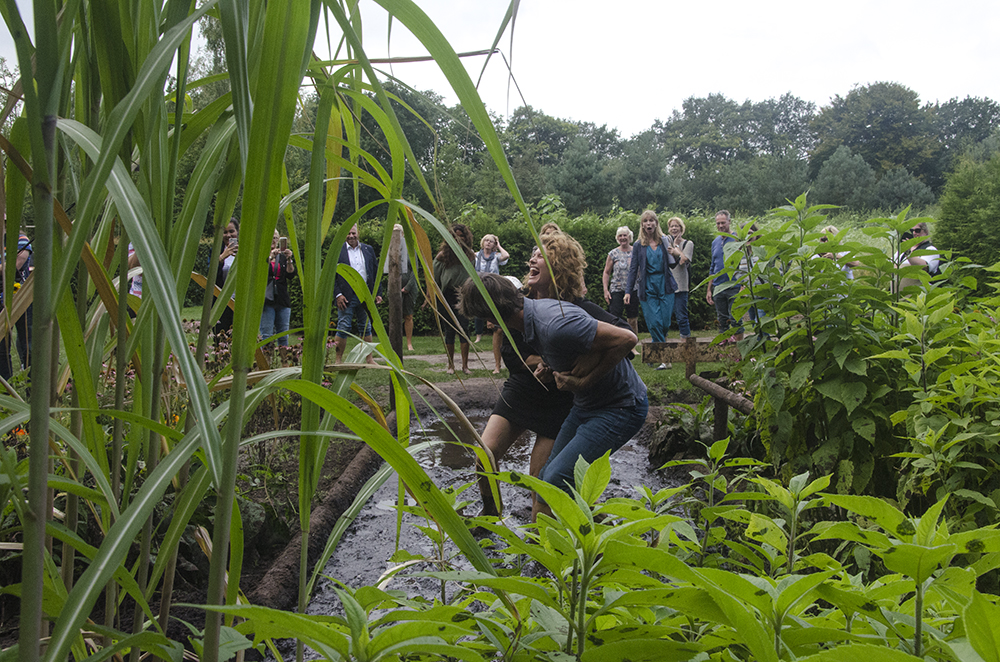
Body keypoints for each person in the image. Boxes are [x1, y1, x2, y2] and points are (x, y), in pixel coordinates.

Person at [459, 273, 648, 513]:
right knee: (547, 482)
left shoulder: (553, 324)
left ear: (489, 316)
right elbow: (569, 349)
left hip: (621, 407)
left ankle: (594, 541)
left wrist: (585, 381)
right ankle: (561, 544)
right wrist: (552, 366)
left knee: (555, 480)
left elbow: (627, 338)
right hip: (585, 406)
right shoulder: (529, 320)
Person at [475, 231, 629, 520]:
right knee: (485, 454)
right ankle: (490, 514)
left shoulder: (577, 310)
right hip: (522, 389)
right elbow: (509, 352)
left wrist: (576, 362)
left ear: (558, 269)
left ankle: (543, 541)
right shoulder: (518, 302)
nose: (531, 258)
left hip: (560, 400)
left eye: (541, 255)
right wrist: (542, 361)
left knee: (539, 480)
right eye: (532, 253)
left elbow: (624, 338)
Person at [625, 210, 682, 369]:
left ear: (656, 223)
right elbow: (633, 269)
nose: (648, 223)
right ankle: (666, 360)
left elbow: (672, 265)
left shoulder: (664, 241)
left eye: (651, 221)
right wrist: (628, 291)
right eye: (645, 221)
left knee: (664, 323)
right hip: (647, 286)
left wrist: (674, 253)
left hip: (665, 284)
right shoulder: (638, 245)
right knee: (655, 323)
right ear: (642, 225)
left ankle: (654, 352)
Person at [334, 224, 382, 364]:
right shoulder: (338, 251)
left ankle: (369, 358)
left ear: (358, 233)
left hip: (365, 294)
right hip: (346, 296)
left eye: (353, 233)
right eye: (348, 233)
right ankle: (338, 360)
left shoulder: (368, 249)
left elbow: (374, 272)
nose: (351, 236)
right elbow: (332, 276)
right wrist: (338, 295)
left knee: (366, 326)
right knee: (343, 326)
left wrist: (377, 293)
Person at [432, 224, 474, 375]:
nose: (458, 239)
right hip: (446, 295)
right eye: (455, 236)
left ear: (466, 238)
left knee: (464, 328)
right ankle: (450, 366)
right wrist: (432, 296)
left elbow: (472, 276)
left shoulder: (470, 255)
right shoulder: (443, 255)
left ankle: (465, 366)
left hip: (463, 295)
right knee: (449, 330)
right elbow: (434, 278)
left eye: (461, 236)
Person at [473, 233, 509, 372]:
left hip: (494, 287)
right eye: (486, 241)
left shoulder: (497, 256)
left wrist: (498, 245)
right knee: (479, 310)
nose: (488, 243)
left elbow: (506, 256)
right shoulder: (476, 255)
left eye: (491, 241)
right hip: (480, 285)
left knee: (494, 312)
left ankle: (493, 326)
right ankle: (478, 334)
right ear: (483, 243)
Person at [260, 231, 296, 364]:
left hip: (282, 299)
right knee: (267, 335)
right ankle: (266, 363)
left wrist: (289, 259)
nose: (273, 241)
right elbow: (260, 271)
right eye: (271, 238)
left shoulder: (282, 257)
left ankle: (284, 363)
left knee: (283, 334)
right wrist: (270, 257)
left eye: (275, 238)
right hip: (267, 300)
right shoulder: (262, 255)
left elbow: (291, 274)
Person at [706, 210, 742, 342]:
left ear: (729, 222)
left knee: (736, 318)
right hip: (718, 286)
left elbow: (744, 263)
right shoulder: (715, 242)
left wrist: (743, 285)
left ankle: (739, 349)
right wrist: (709, 289)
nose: (720, 226)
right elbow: (713, 266)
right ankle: (726, 351)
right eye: (718, 223)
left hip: (734, 285)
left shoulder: (737, 239)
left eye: (723, 223)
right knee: (722, 319)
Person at [0, 231, 32, 381]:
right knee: (2, 346)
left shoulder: (20, 239)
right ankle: (5, 389)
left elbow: (14, 264)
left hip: (22, 298)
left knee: (28, 345)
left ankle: (32, 386)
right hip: (2, 301)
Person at [603, 225, 639, 336]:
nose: (623, 237)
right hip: (616, 289)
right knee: (615, 317)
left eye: (625, 235)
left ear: (630, 237)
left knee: (632, 318)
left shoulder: (636, 251)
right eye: (620, 235)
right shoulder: (613, 253)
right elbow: (606, 272)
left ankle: (633, 341)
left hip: (634, 288)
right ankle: (616, 341)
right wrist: (605, 290)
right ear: (617, 238)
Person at [667, 217, 694, 339]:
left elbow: (683, 260)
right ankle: (662, 344)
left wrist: (676, 247)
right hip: (667, 286)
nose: (674, 228)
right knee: (664, 317)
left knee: (681, 317)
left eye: (676, 226)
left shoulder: (688, 244)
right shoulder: (666, 244)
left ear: (681, 228)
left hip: (681, 286)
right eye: (671, 226)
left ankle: (686, 344)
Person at [214, 218, 240, 337]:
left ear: (237, 232)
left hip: (240, 301)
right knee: (221, 338)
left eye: (231, 231)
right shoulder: (215, 251)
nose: (228, 235)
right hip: (222, 301)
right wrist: (221, 257)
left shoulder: (246, 249)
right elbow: (211, 275)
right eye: (225, 232)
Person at [896, 221, 940, 291]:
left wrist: (908, 253)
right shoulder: (901, 252)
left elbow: (923, 267)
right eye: (912, 231)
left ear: (926, 232)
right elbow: (891, 265)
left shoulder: (930, 250)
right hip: (898, 297)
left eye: (917, 230)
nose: (914, 233)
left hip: (918, 297)